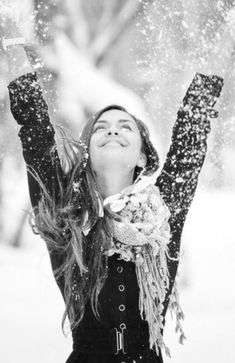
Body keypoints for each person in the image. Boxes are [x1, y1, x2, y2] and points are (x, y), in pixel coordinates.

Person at [1, 9, 234, 363]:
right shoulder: (67, 217)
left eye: (125, 126)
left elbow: (195, 120)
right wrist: (11, 33)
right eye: (101, 127)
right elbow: (33, 127)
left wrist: (229, 37)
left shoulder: (163, 211)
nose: (112, 129)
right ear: (89, 154)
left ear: (142, 157)